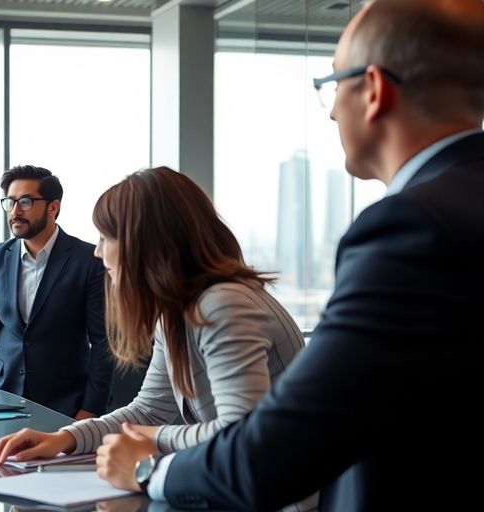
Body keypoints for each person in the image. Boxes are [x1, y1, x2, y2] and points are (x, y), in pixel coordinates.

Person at [112, 1, 484, 510]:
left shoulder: (410, 229)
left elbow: (273, 452)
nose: (331, 110)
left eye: (334, 84)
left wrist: (147, 469)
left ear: (373, 90)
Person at [0, 169, 305, 475]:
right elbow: (150, 410)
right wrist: (66, 438)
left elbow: (238, 434)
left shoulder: (222, 305)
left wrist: (152, 438)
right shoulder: (176, 312)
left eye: (106, 238)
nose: (98, 253)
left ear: (144, 242)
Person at [0, 165, 113, 419]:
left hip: (65, 403)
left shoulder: (88, 260)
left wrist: (90, 409)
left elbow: (103, 342)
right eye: (10, 202)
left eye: (25, 201)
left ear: (53, 207)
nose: (15, 211)